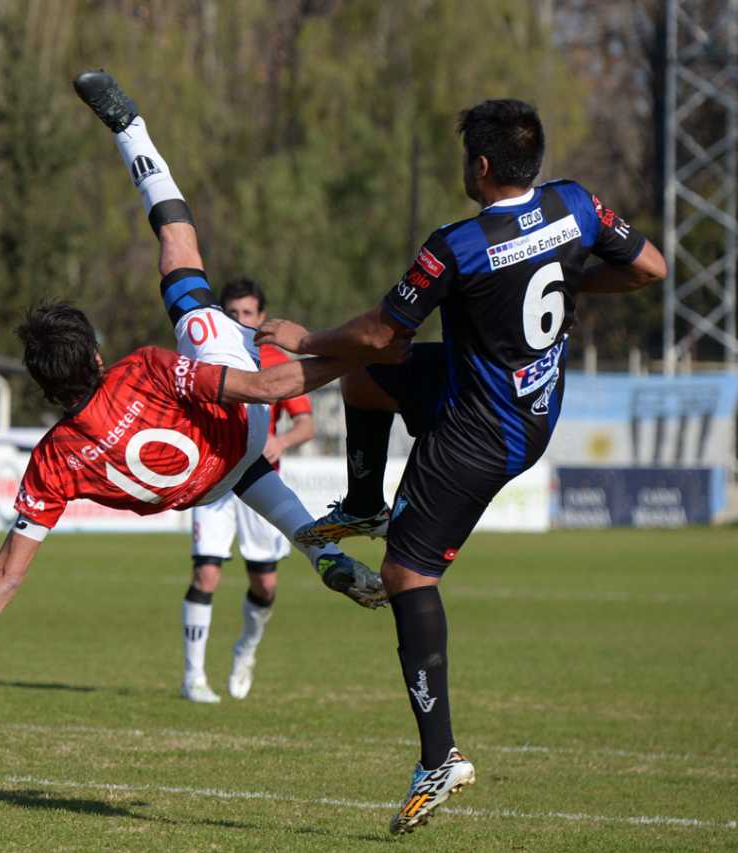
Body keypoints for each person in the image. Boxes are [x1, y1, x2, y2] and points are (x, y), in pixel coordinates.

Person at [0, 71, 391, 697]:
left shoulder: (52, 461)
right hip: (240, 436)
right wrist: (348, 350)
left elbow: (7, 572)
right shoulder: (142, 370)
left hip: (206, 485)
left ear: (44, 387)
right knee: (183, 268)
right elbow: (265, 390)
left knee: (241, 469)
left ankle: (323, 553)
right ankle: (131, 131)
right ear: (97, 356)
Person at [258, 99, 668, 835]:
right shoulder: (575, 205)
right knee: (365, 383)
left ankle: (438, 757)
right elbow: (648, 268)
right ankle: (363, 501)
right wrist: (568, 276)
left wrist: (306, 337)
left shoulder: (458, 246)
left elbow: (381, 333)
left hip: (484, 429)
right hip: (524, 396)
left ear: (479, 166)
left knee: (406, 576)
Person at [181, 277, 316, 703]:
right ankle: (193, 676)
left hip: (260, 481)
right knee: (206, 573)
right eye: (233, 313)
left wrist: (281, 441)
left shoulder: (273, 358)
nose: (241, 319)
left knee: (265, 585)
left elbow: (306, 423)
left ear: (262, 317)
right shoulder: (207, 354)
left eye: (248, 313)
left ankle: (246, 649)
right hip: (215, 479)